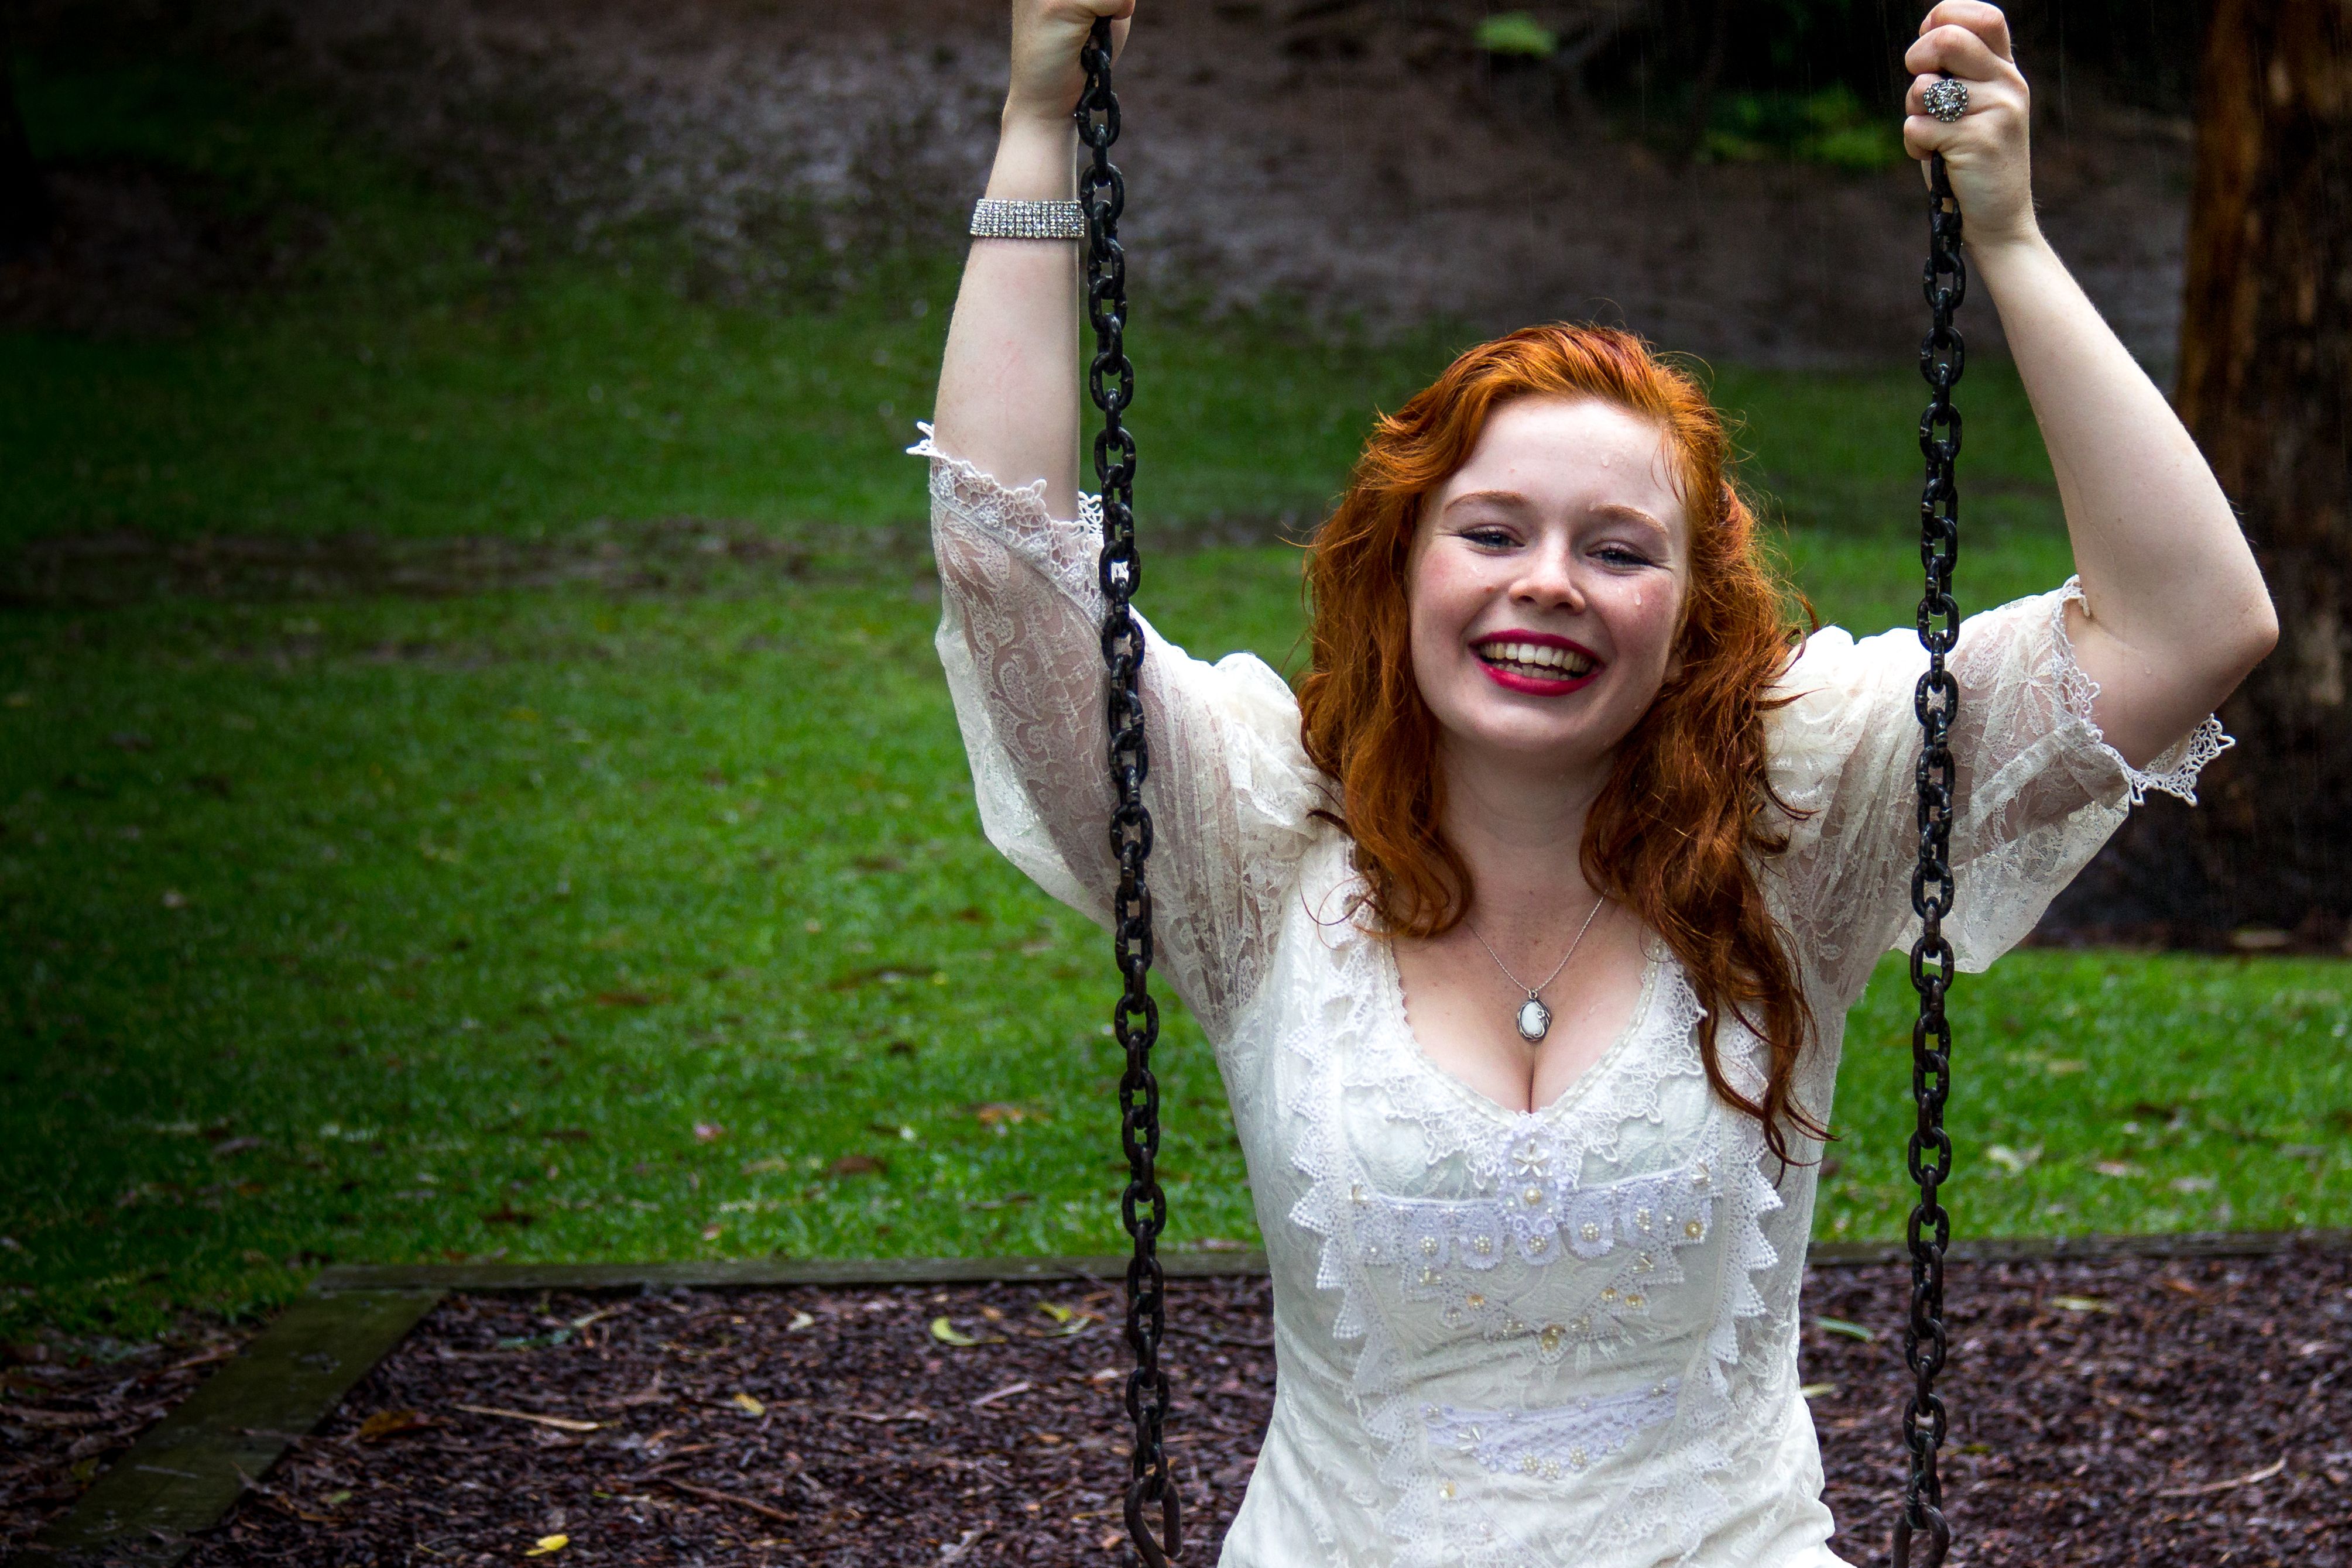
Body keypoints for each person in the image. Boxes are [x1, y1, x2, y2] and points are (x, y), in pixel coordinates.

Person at [916, 1, 2276, 1562]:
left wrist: (2011, 243)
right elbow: (1007, 575)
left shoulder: (1807, 805)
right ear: (1395, 567)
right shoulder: (1248, 828)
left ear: (1689, 612)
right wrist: (1039, 124)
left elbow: (2191, 622)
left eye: (1617, 550)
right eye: (1490, 532)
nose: (1547, 584)